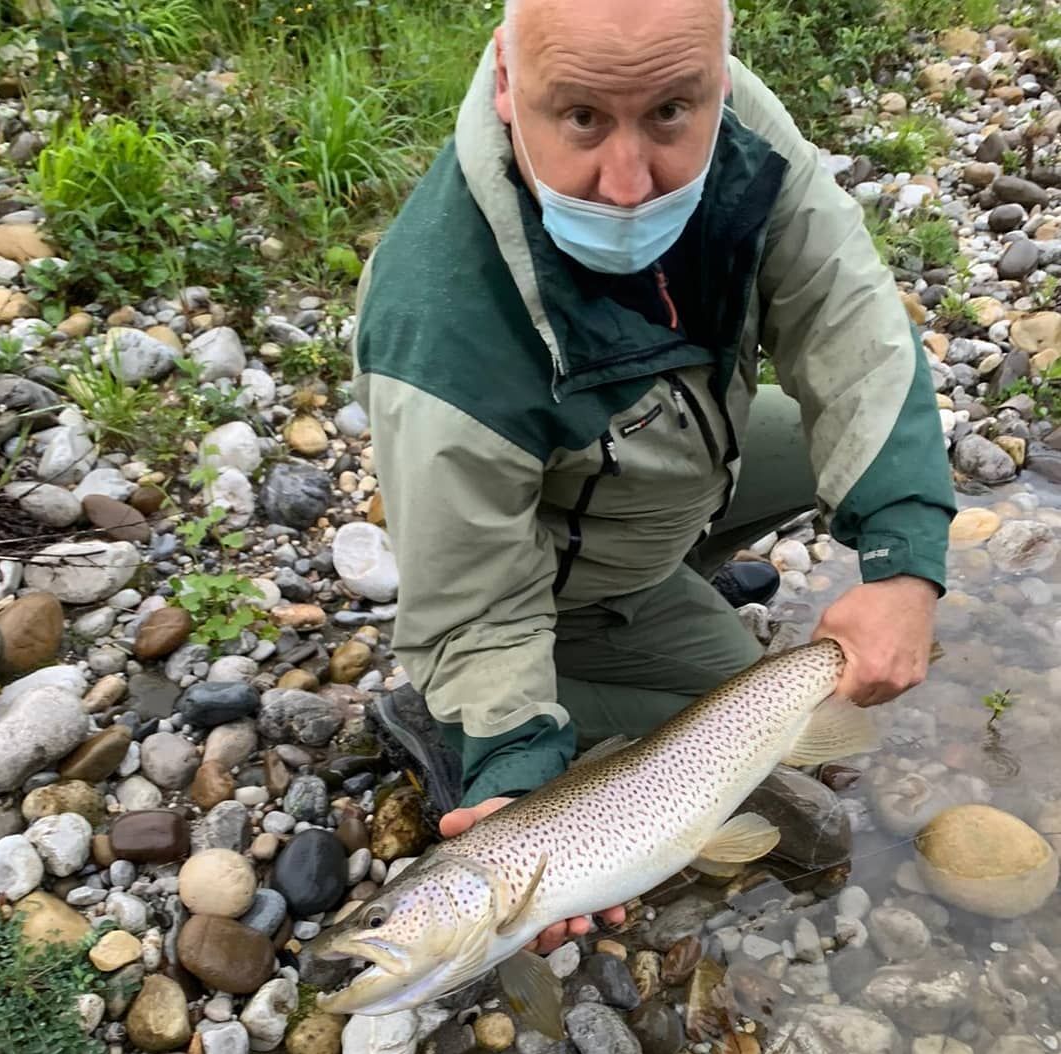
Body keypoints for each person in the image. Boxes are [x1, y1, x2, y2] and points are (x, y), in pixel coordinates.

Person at [351, 0, 956, 953]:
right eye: (582, 118)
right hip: (530, 569)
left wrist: (904, 559)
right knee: (747, 720)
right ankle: (445, 718)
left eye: (672, 112)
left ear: (718, 75)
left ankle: (663, 578)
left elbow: (854, 330)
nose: (629, 184)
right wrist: (516, 764)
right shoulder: (439, 322)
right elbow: (477, 599)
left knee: (831, 441)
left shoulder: (739, 122)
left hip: (652, 461)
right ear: (509, 85)